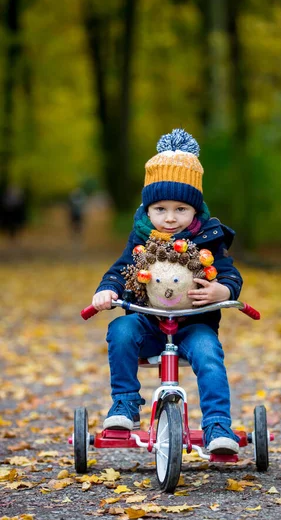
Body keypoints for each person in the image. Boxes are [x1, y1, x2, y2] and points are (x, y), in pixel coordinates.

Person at [92, 129, 243, 454]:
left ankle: (218, 425)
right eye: (160, 209)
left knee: (209, 356)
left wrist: (221, 291)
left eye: (181, 209)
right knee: (120, 330)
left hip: (193, 325)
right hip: (147, 324)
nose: (170, 218)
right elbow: (120, 271)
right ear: (147, 210)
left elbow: (230, 274)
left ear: (195, 211)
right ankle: (125, 404)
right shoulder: (141, 238)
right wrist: (106, 291)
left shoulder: (208, 238)